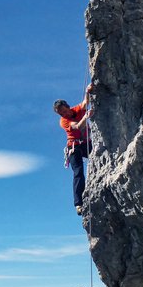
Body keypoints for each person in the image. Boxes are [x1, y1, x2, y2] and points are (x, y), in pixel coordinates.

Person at [53, 83, 94, 214]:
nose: (63, 114)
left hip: (85, 143)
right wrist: (86, 117)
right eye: (61, 113)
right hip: (74, 147)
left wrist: (88, 91)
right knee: (78, 172)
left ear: (67, 107)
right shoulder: (63, 121)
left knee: (99, 156)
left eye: (64, 111)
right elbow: (77, 127)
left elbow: (85, 103)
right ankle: (78, 204)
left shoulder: (77, 110)